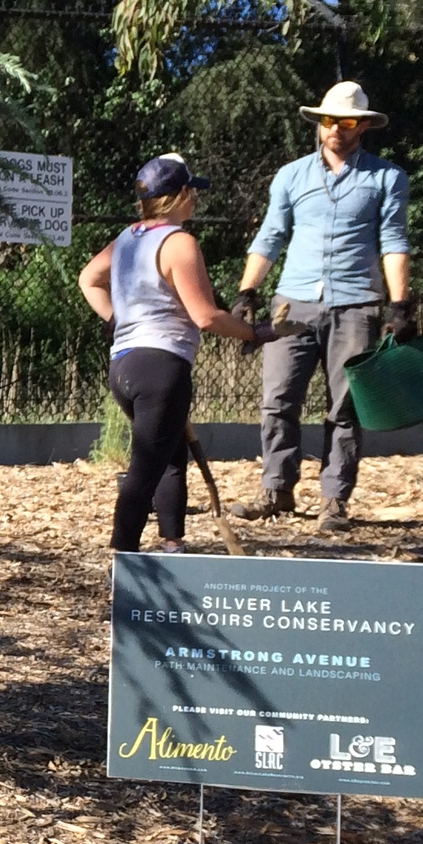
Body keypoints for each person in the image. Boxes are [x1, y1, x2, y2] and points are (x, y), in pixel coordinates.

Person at [227, 80, 414, 534]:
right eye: (329, 120)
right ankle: (276, 489)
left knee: (345, 406)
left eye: (347, 122)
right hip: (292, 303)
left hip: (355, 303)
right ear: (319, 122)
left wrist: (400, 304)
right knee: (277, 400)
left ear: (363, 127)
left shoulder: (386, 178)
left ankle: (334, 500)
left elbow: (393, 241)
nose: (336, 130)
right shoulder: (292, 176)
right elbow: (271, 235)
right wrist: (247, 292)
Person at [79, 154, 276, 553]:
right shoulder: (180, 243)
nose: (195, 201)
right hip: (162, 368)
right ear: (182, 194)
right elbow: (205, 316)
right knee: (144, 470)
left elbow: (88, 278)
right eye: (192, 193)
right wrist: (254, 332)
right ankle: (123, 556)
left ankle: (173, 543)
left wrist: (116, 319)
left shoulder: (129, 238)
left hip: (125, 365)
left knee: (169, 455)